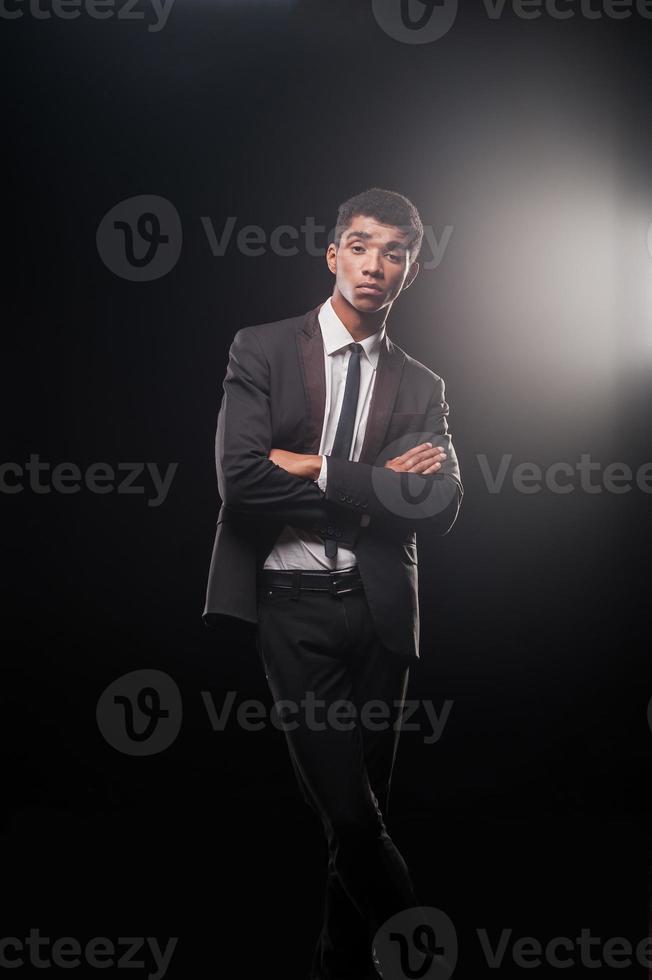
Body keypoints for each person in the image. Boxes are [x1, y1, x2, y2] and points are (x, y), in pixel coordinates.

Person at [203, 187, 463, 979]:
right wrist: (373, 484)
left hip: (382, 617)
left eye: (393, 252)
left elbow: (440, 503)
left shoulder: (422, 386)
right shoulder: (263, 348)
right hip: (294, 611)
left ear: (410, 271)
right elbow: (241, 482)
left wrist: (320, 467)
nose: (373, 264)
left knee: (359, 819)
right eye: (359, 245)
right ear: (333, 255)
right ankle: (424, 959)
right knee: (350, 816)